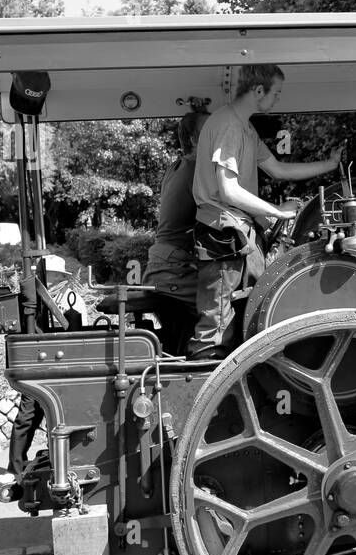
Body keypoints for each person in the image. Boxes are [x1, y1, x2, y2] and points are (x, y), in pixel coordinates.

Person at [189, 63, 341, 360]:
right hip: (224, 235)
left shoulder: (244, 127)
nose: (277, 99)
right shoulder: (229, 125)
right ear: (258, 91)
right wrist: (278, 212)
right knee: (215, 331)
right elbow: (228, 191)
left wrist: (329, 165)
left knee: (245, 313)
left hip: (237, 232)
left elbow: (278, 169)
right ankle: (205, 382)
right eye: (276, 92)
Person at [9, 255, 88, 477]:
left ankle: (59, 465)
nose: (46, 279)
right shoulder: (38, 302)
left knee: (53, 417)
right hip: (42, 363)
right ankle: (15, 467)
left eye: (50, 275)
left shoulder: (71, 299)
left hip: (62, 364)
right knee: (28, 415)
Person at [141, 108, 206, 354]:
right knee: (231, 306)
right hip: (174, 271)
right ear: (193, 139)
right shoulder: (197, 170)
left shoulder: (177, 166)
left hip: (162, 266)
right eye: (210, 132)